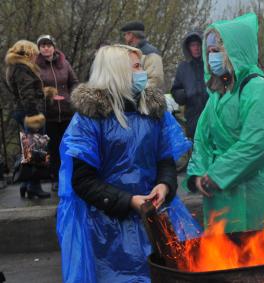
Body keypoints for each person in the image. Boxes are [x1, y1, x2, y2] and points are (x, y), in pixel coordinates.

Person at [56, 44, 201, 283]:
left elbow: (165, 160)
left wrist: (164, 186)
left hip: (158, 216)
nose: (141, 72)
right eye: (136, 66)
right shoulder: (90, 119)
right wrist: (129, 201)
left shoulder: (153, 111)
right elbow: (82, 181)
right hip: (108, 228)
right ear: (118, 71)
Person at [184, 13, 264, 234]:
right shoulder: (217, 96)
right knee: (228, 264)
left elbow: (258, 142)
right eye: (208, 52)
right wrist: (198, 174)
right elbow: (202, 140)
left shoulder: (259, 89)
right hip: (223, 202)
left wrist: (216, 175)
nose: (211, 58)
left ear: (234, 52)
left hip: (263, 197)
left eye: (217, 51)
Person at [4, 40, 50, 199]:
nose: (35, 56)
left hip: (22, 111)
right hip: (29, 113)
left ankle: (26, 184)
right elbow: (27, 94)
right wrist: (34, 116)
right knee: (36, 151)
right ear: (28, 52)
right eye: (34, 53)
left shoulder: (15, 67)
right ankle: (33, 186)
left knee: (29, 150)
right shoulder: (22, 68)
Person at [36, 35, 79, 191]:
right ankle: (56, 178)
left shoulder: (64, 63)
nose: (46, 48)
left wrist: (71, 96)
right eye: (43, 45)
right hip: (49, 114)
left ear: (54, 47)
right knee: (53, 148)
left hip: (67, 112)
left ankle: (71, 177)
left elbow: (74, 82)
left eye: (48, 45)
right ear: (39, 49)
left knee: (68, 146)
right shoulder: (36, 65)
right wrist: (46, 95)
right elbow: (33, 88)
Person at [171, 30, 209, 139]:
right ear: (188, 48)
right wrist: (185, 94)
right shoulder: (183, 68)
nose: (196, 48)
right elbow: (175, 90)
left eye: (198, 44)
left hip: (212, 115)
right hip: (193, 119)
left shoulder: (210, 64)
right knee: (196, 150)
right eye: (193, 45)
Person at [121, 20, 164, 90]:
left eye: (125, 34)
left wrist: (134, 92)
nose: (124, 37)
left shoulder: (151, 53)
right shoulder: (128, 53)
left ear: (131, 35)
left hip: (145, 99)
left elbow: (155, 80)